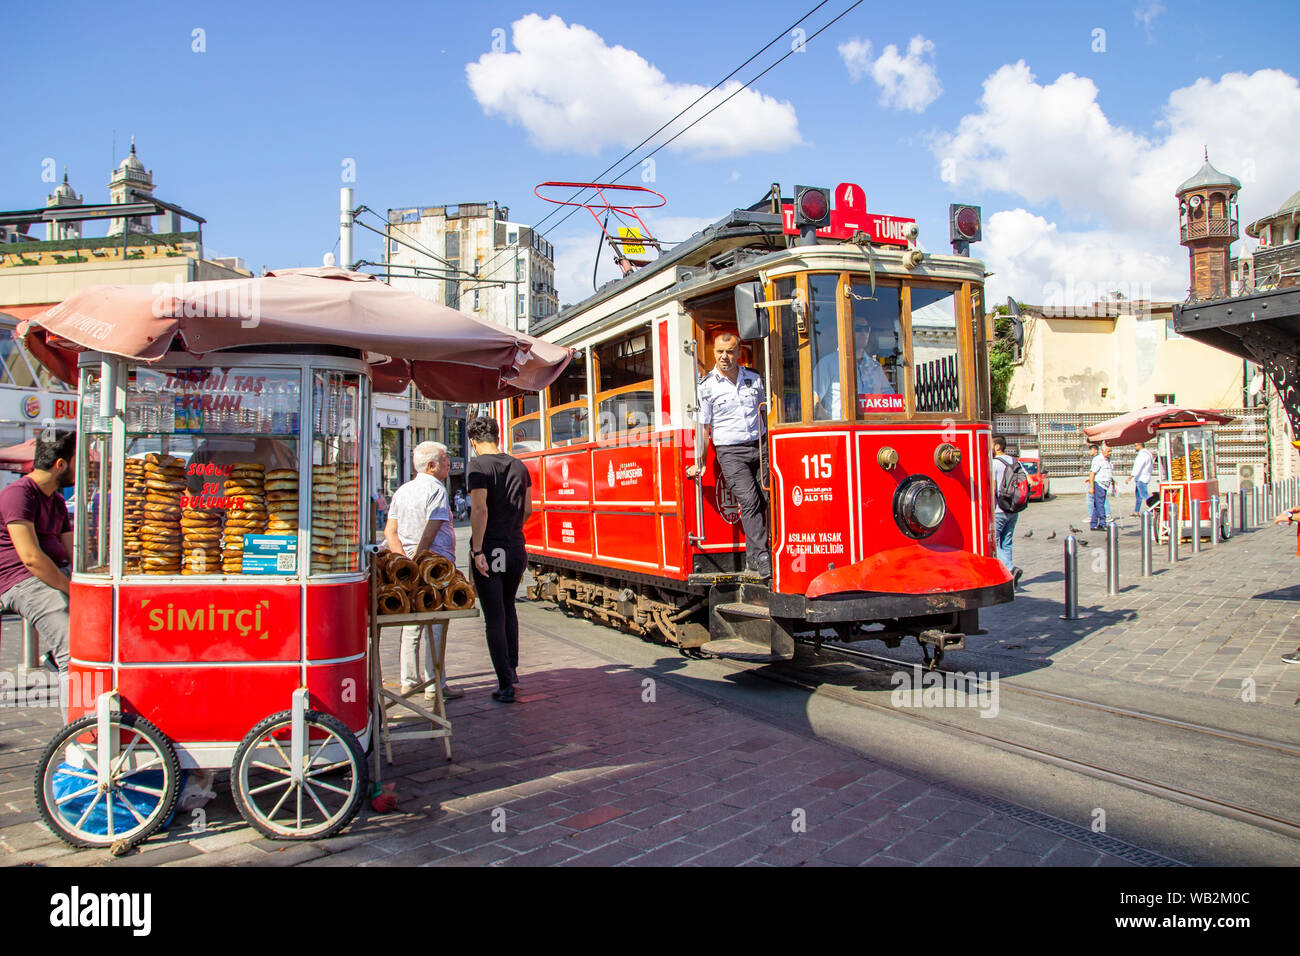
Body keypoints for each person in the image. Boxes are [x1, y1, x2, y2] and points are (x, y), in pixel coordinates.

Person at [0, 431, 76, 708]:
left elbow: (72, 550)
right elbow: (31, 558)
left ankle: (54, 659)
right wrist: (71, 589)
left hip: (51, 573)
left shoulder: (55, 500)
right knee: (73, 644)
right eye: (77, 460)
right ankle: (79, 730)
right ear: (60, 465)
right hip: (20, 580)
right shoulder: (18, 495)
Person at [686, 332, 770, 579]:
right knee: (750, 500)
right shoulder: (706, 387)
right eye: (720, 352)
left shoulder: (754, 379)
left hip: (760, 445)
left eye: (730, 351)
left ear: (738, 352)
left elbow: (765, 412)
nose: (725, 356)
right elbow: (702, 427)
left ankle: (756, 558)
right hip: (730, 452)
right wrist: (699, 461)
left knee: (768, 495)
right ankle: (763, 557)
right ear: (714, 353)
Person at [383, 442, 462, 700]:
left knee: (411, 624)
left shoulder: (402, 491)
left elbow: (390, 532)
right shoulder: (436, 489)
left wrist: (403, 563)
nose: (448, 464)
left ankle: (408, 681)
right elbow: (434, 524)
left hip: (407, 567)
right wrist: (419, 560)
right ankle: (434, 684)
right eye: (444, 459)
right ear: (431, 466)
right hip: (434, 567)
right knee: (435, 624)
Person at [467, 416, 531, 703]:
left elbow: (479, 509)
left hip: (491, 549)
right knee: (509, 607)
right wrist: (512, 530)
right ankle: (512, 669)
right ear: (497, 436)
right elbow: (528, 508)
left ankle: (505, 684)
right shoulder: (519, 465)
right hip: (515, 545)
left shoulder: (477, 466)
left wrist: (478, 550)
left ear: (473, 442)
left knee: (494, 615)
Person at [811, 324, 898, 420]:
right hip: (842, 430)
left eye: (866, 329)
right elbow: (814, 402)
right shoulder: (828, 363)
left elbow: (890, 400)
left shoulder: (875, 367)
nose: (863, 333)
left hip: (874, 428)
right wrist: (832, 425)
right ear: (847, 331)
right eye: (858, 329)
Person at [991, 435, 1023, 589]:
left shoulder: (994, 463)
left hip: (999, 509)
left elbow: (992, 487)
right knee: (1007, 542)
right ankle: (1009, 578)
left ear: (997, 446)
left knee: (994, 542)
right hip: (1014, 508)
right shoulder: (1015, 461)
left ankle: (1010, 568)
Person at [1087, 442, 1115, 530]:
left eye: (1110, 451)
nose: (1109, 453)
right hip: (1099, 484)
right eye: (1108, 451)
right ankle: (1102, 522)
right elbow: (1092, 473)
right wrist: (1092, 487)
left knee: (1097, 505)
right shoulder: (1098, 459)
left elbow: (1108, 472)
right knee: (1100, 504)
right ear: (1103, 450)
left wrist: (1112, 481)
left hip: (1105, 485)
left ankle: (1093, 523)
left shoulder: (1108, 460)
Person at [1127, 441, 1154, 516]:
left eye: (1135, 446)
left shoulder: (1142, 455)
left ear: (1139, 446)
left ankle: (1154, 506)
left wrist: (1131, 477)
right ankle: (1136, 511)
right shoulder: (1148, 454)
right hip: (1144, 476)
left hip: (1141, 477)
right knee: (1138, 496)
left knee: (1144, 494)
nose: (1135, 448)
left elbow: (1138, 467)